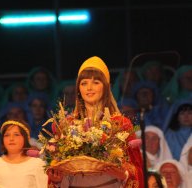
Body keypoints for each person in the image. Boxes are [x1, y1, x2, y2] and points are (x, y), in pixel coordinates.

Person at [48, 56, 144, 187]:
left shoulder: (121, 124)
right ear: (78, 89)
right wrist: (57, 181)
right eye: (84, 83)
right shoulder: (67, 125)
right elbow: (57, 168)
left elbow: (137, 169)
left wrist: (124, 175)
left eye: (96, 82)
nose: (89, 88)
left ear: (105, 87)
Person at [0, 120, 48, 187]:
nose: (11, 138)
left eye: (16, 135)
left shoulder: (37, 164)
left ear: (25, 138)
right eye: (7, 135)